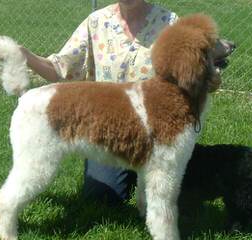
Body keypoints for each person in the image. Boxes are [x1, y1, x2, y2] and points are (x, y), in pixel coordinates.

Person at [19, 0, 235, 204]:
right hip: (110, 127)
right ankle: (135, 175)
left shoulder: (169, 22)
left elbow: (190, 74)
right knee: (102, 197)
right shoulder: (96, 22)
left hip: (158, 128)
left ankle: (149, 179)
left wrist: (210, 78)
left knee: (176, 189)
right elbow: (60, 69)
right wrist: (24, 55)